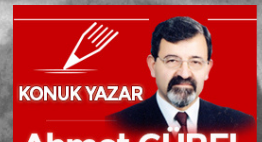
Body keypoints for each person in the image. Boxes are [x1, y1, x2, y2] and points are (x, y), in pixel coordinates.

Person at [107, 16, 254, 133]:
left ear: (207, 69)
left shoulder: (241, 125)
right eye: (172, 60)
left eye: (195, 62)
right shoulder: (116, 126)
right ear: (152, 66)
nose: (184, 74)